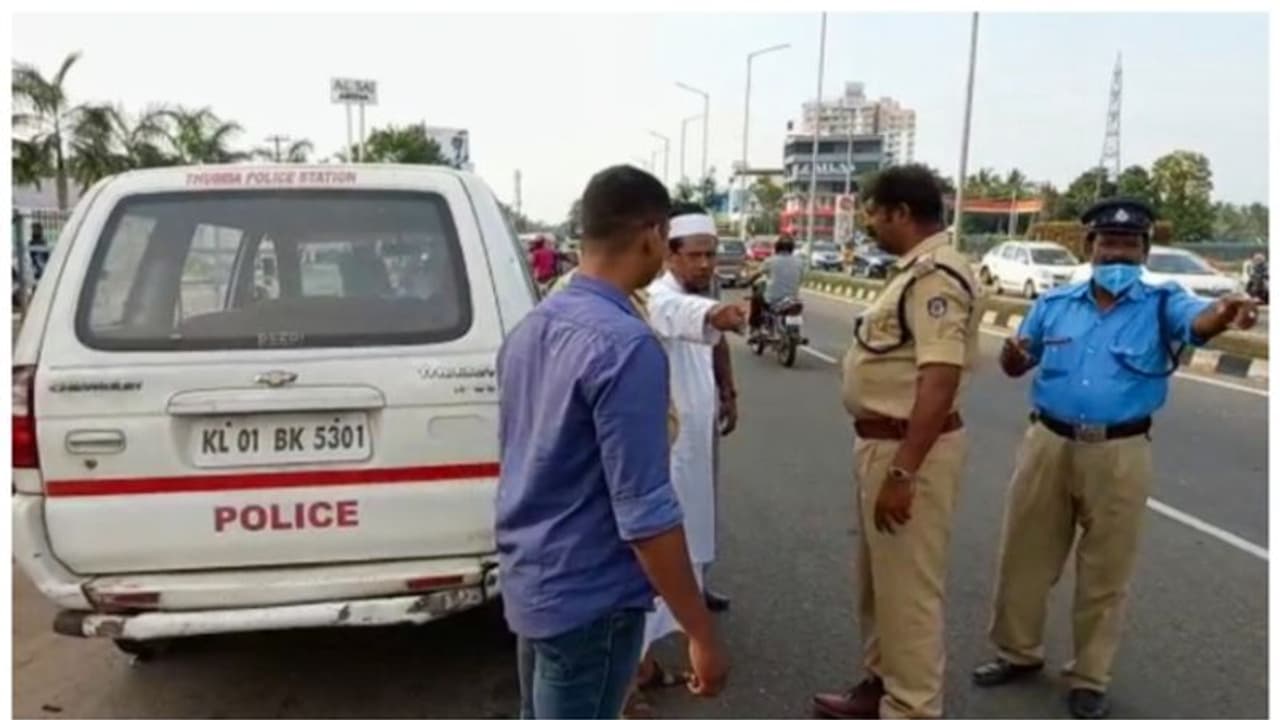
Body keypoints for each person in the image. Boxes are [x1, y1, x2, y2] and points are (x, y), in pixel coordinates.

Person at [971, 198, 1259, 720]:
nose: (1118, 254)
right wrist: (1013, 358)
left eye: (1130, 245)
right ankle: (1017, 651)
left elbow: (1201, 322)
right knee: (1024, 557)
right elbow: (1020, 359)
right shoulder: (1055, 303)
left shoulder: (1162, 302)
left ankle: (1089, 676)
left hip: (1120, 452)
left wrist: (1226, 313)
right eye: (1109, 243)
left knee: (1107, 571)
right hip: (1047, 445)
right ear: (1090, 247)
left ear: (1145, 252)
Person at [496, 166, 728, 719]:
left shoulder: (532, 328)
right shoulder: (625, 345)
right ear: (652, 232)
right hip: (591, 597)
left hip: (534, 579)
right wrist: (700, 633)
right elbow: (645, 513)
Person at [811, 165, 981, 720]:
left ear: (901, 214)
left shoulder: (935, 276)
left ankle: (910, 708)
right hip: (882, 445)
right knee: (878, 582)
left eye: (874, 214)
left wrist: (904, 473)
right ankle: (880, 685)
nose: (870, 225)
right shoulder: (909, 272)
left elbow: (939, 379)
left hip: (910, 450)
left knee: (907, 591)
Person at [630, 204, 747, 710]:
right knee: (654, 570)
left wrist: (728, 390)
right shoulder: (660, 298)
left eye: (710, 254)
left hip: (694, 455)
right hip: (669, 459)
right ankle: (626, 685)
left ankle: (646, 666)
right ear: (669, 255)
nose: (705, 264)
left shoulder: (694, 293)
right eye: (694, 255)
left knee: (684, 561)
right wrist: (730, 313)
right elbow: (695, 317)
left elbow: (711, 335)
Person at [746, 234, 803, 333]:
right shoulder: (799, 262)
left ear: (776, 247)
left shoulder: (771, 261)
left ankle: (754, 325)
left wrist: (748, 281)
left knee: (756, 297)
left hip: (773, 298)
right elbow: (801, 278)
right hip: (793, 298)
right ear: (792, 248)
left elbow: (757, 274)